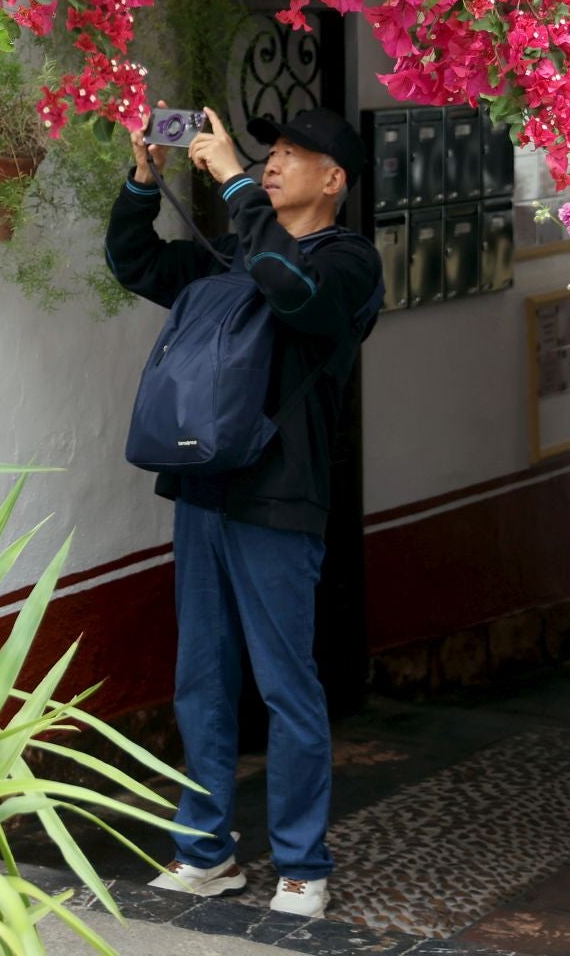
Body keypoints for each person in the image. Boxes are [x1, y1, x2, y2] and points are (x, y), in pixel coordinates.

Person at [105, 104, 382, 920]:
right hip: (204, 488)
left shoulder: (348, 263)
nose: (271, 163)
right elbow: (136, 264)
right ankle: (205, 853)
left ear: (332, 181)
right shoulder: (236, 248)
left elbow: (289, 287)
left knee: (286, 687)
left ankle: (302, 864)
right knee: (201, 681)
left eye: (292, 156)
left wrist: (229, 181)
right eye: (268, 154)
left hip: (278, 499)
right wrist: (140, 183)